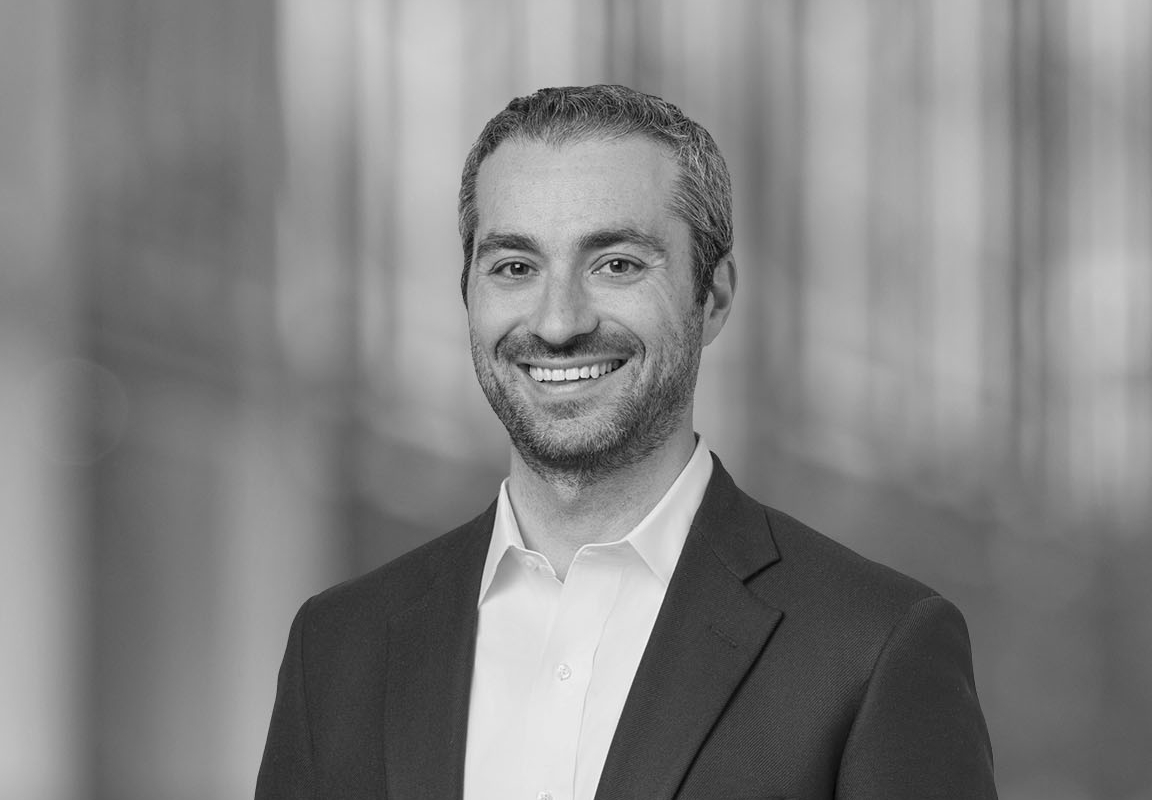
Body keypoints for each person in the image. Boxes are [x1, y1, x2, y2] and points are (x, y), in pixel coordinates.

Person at [256, 84, 997, 799]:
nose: (558, 322)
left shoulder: (872, 647)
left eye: (616, 265)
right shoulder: (338, 649)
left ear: (713, 298)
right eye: (515, 267)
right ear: (469, 295)